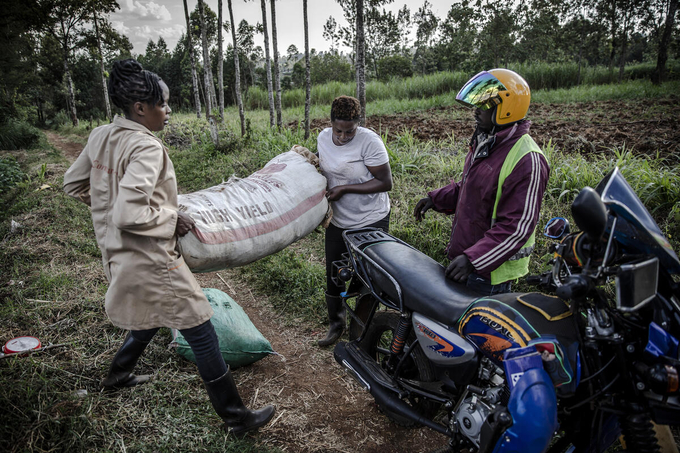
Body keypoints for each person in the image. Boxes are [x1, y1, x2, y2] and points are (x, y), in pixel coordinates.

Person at [63, 59, 275, 436]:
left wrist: (107, 210)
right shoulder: (147, 148)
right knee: (199, 325)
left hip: (118, 253)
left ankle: (118, 374)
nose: (168, 110)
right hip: (153, 256)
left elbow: (75, 184)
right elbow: (131, 212)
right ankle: (237, 417)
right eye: (163, 104)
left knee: (156, 310)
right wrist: (170, 220)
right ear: (141, 109)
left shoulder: (101, 135)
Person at [414, 69, 549, 295]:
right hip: (469, 259)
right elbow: (473, 189)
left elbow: (517, 227)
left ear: (506, 109)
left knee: (477, 330)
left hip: (491, 274)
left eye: (485, 106)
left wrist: (473, 260)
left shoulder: (527, 160)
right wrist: (435, 199)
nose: (476, 112)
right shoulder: (488, 142)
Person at [316, 95, 393, 346]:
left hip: (371, 217)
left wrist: (346, 189)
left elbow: (385, 182)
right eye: (338, 130)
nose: (343, 136)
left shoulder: (369, 142)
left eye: (350, 131)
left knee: (367, 277)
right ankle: (336, 325)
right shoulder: (322, 138)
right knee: (334, 273)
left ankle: (359, 332)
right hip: (340, 218)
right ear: (331, 123)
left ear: (358, 125)